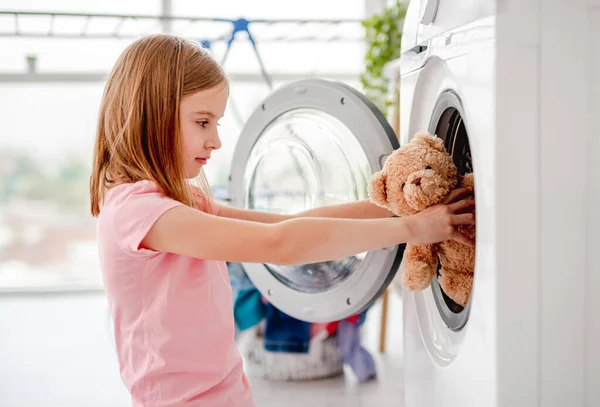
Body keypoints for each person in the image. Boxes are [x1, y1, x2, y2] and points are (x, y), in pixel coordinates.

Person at [89, 33, 475, 407]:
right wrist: (410, 229)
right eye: (203, 122)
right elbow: (281, 245)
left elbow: (280, 225)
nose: (216, 141)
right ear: (153, 116)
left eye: (216, 124)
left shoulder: (179, 200)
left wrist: (399, 204)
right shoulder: (136, 213)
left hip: (225, 393)